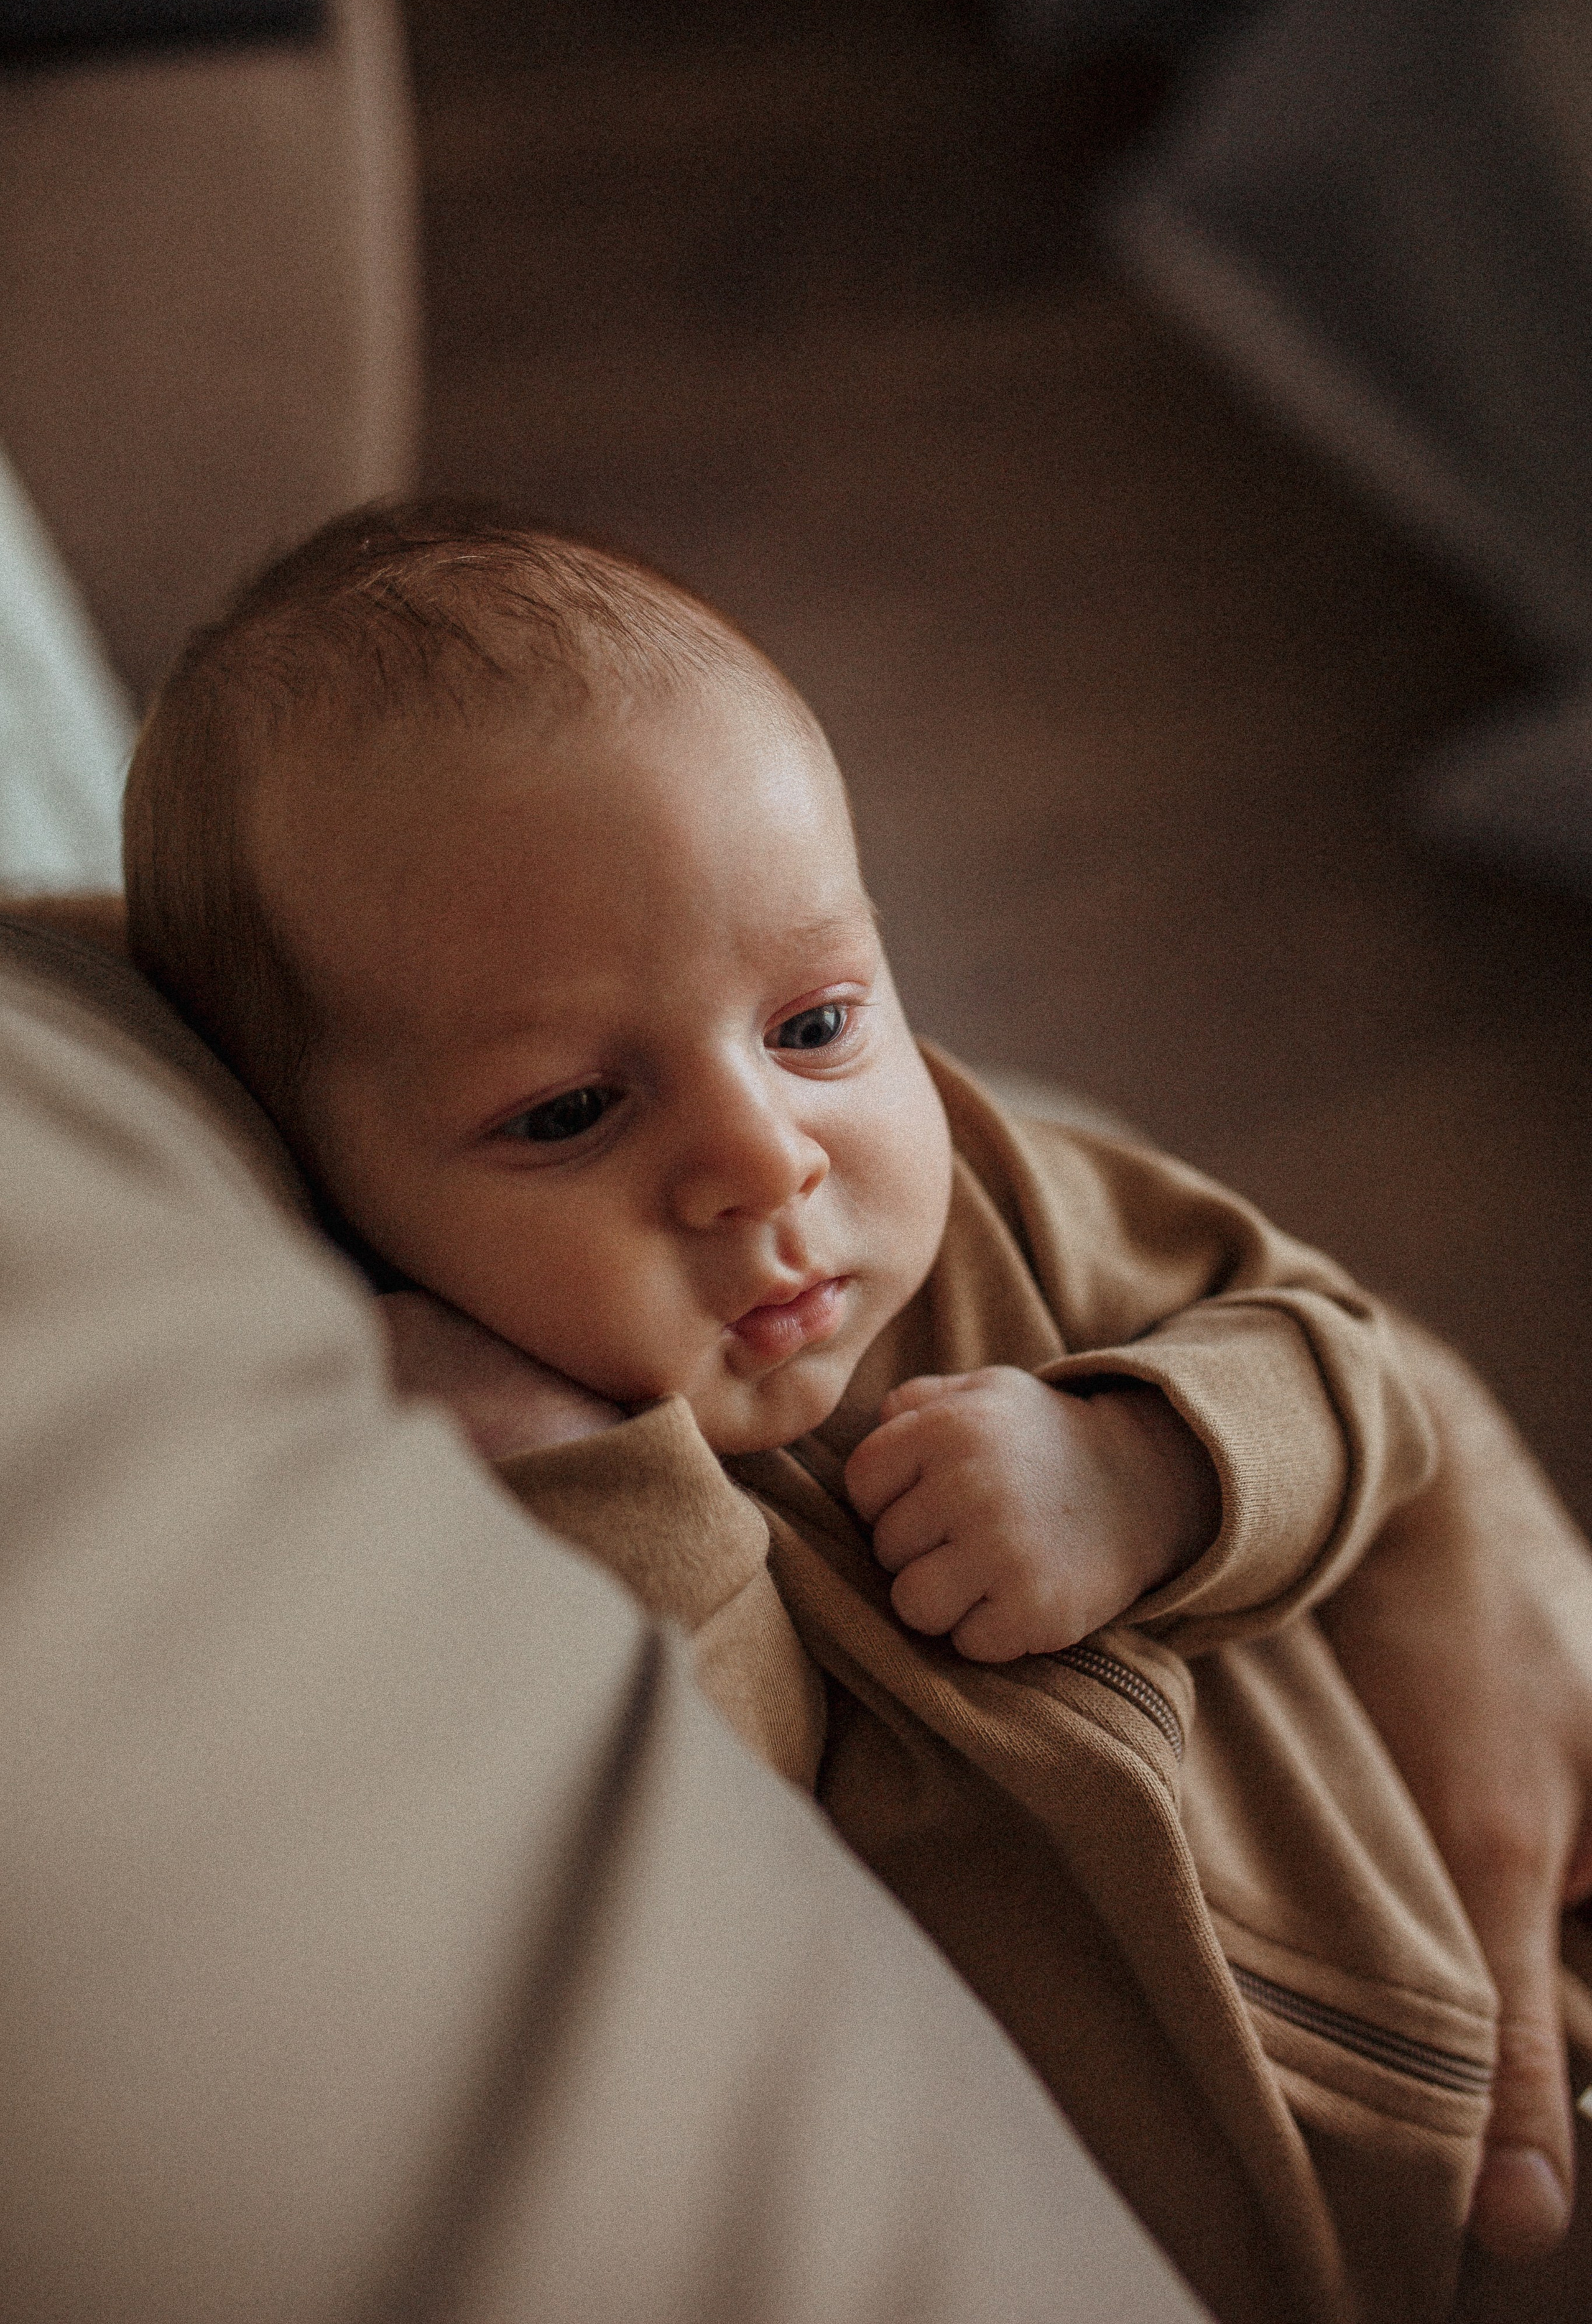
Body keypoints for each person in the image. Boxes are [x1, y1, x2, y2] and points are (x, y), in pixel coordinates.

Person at [118, 503, 1591, 2319]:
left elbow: (1347, 1367)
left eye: (817, 1018)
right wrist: (614, 1506)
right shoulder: (499, 1499)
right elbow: (730, 1860)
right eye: (572, 1110)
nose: (763, 1153)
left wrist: (1145, 1463)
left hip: (1480, 2010)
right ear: (328, 1186)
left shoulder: (998, 1198)